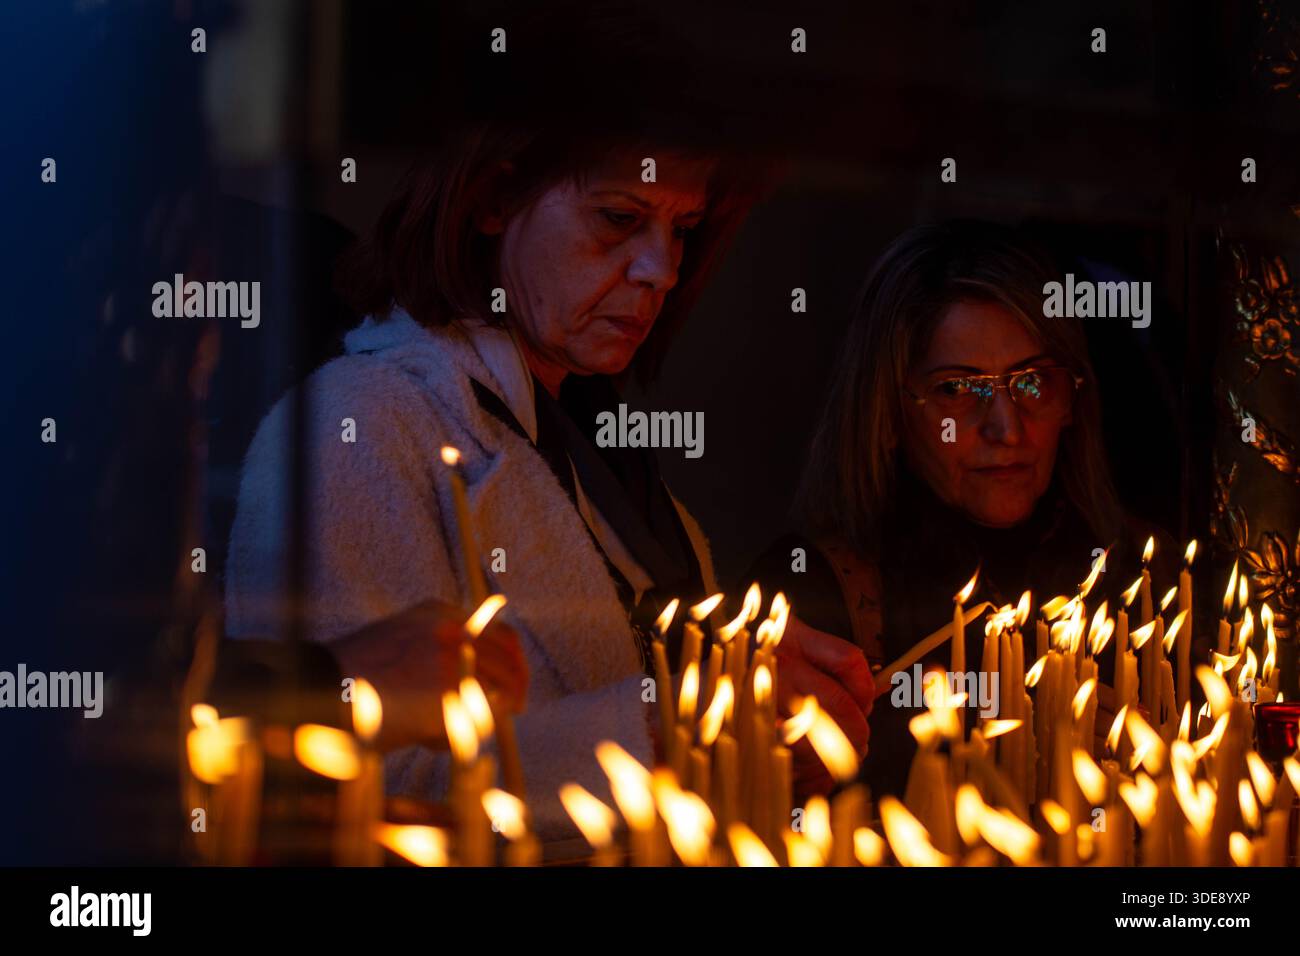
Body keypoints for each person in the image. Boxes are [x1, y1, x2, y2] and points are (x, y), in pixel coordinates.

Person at [223, 118, 872, 839]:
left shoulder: (601, 457)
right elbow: (343, 800)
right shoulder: (358, 425)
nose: (662, 268)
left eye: (683, 229)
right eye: (619, 217)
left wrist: (757, 734)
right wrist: (675, 719)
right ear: (492, 199)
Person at [749, 220, 1176, 800]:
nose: (1005, 428)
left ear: (1072, 399)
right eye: (957, 388)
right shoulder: (809, 599)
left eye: (1032, 382)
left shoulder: (1149, 579)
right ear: (889, 413)